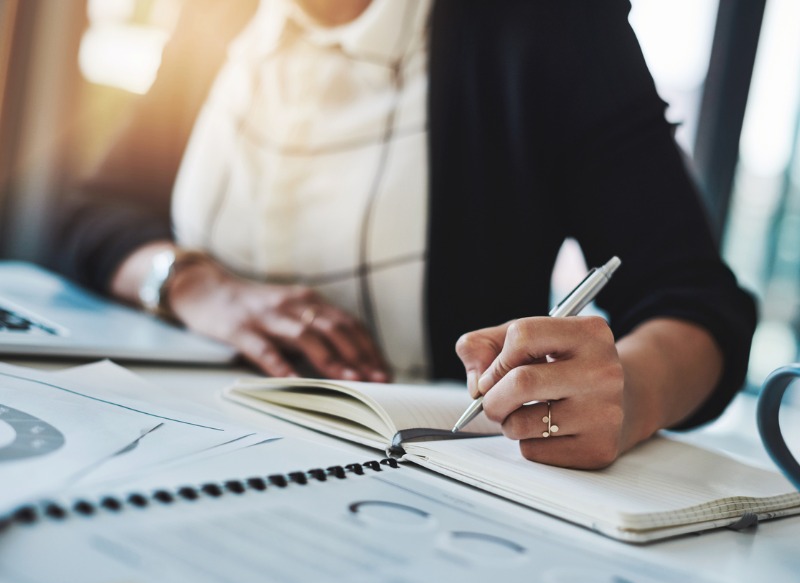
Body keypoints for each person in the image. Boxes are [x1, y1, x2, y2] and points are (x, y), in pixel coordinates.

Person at [53, 0, 757, 469]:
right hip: (159, 442)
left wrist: (629, 394)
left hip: (413, 477)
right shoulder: (219, 16)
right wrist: (202, 288)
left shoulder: (546, 22)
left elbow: (698, 305)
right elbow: (88, 211)